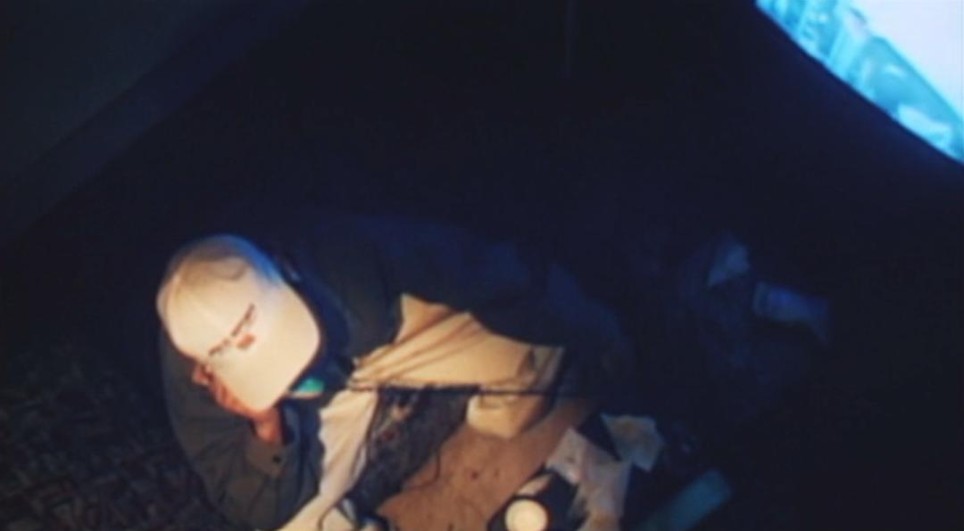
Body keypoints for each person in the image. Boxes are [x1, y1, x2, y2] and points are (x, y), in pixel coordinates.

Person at [156, 209, 634, 529]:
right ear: (203, 370)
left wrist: (596, 326)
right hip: (315, 414)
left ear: (284, 269)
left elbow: (483, 271)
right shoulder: (191, 382)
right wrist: (267, 428)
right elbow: (256, 508)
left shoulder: (339, 250)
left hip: (378, 345)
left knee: (530, 350)